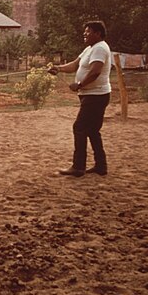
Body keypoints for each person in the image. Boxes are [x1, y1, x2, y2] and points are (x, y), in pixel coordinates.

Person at [47, 20, 112, 177]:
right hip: (93, 95)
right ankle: (101, 166)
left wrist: (80, 84)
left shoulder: (100, 49)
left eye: (88, 31)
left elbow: (96, 71)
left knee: (79, 128)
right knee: (92, 130)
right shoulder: (90, 49)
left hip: (95, 96)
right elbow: (75, 65)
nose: (85, 34)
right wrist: (59, 69)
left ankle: (78, 167)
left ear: (98, 33)